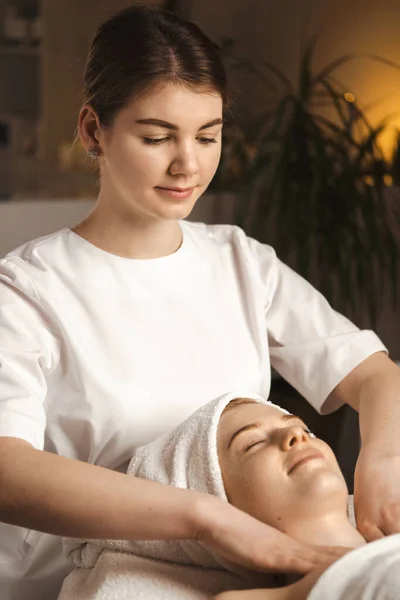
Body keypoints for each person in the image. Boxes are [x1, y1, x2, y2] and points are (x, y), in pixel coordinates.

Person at [0, 4, 400, 600]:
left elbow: (373, 374)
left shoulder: (239, 261)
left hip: (221, 574)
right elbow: (6, 468)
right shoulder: (28, 288)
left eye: (208, 136)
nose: (188, 164)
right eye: (157, 136)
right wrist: (209, 519)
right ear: (92, 130)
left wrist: (381, 461)